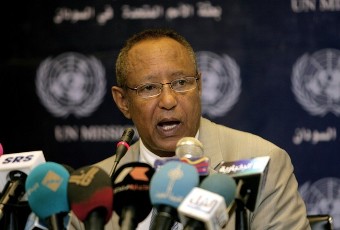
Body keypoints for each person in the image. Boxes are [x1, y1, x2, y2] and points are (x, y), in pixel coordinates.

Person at [69, 28, 311, 229]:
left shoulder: (263, 162)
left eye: (181, 83)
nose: (168, 101)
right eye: (149, 88)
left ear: (200, 86)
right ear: (123, 102)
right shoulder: (92, 190)